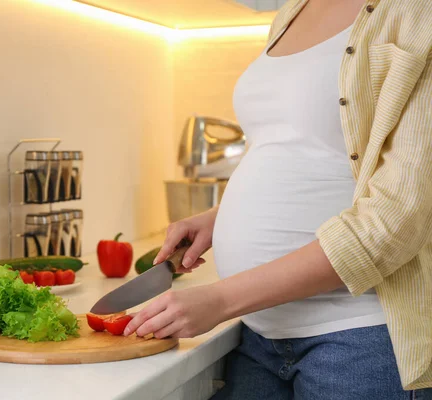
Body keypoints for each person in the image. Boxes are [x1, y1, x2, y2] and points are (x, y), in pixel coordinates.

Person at [123, 0, 432, 398]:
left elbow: (397, 221)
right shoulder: (291, 11)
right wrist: (222, 216)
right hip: (258, 335)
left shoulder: (418, 12)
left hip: (359, 341)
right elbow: (298, 146)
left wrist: (220, 299)